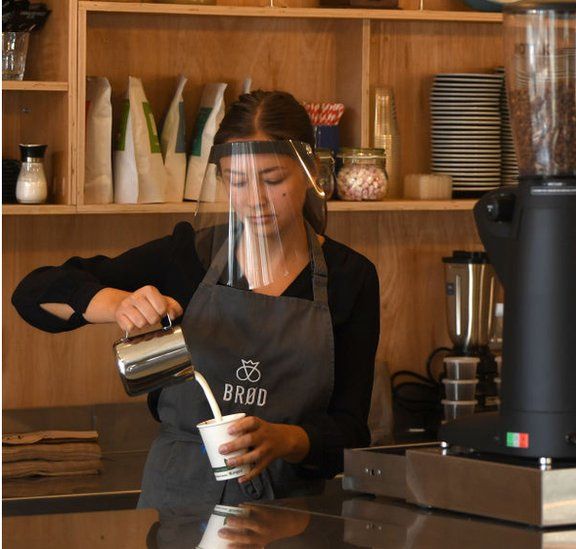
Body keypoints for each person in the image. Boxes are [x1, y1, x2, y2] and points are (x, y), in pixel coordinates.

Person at [12, 90, 380, 508]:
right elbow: (33, 293)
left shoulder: (351, 278)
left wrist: (286, 439)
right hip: (179, 502)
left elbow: (351, 434)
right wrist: (115, 303)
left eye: (273, 179)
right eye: (236, 181)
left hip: (294, 512)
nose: (254, 200)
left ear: (310, 170)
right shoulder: (187, 257)